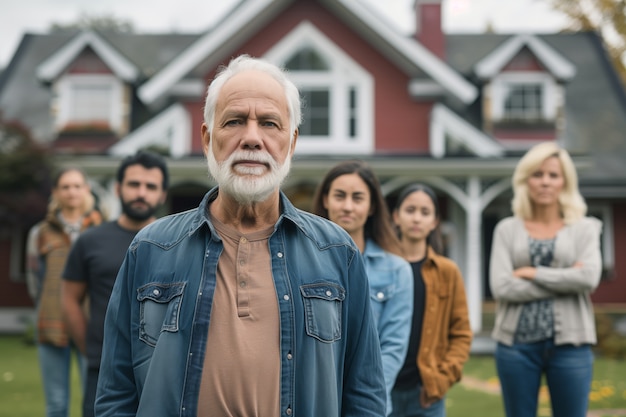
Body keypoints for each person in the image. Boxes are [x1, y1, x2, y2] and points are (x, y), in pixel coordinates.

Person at [95, 54, 386, 417]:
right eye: (234, 121)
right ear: (207, 138)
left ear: (291, 143)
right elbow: (115, 393)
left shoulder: (336, 252)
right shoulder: (151, 248)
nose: (252, 138)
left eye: (269, 123)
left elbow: (365, 395)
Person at [489, 142, 602, 417]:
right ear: (525, 180)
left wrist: (533, 272)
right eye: (537, 175)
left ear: (565, 181)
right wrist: (566, 280)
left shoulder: (585, 228)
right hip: (515, 347)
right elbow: (502, 287)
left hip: (571, 346)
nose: (545, 182)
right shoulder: (506, 229)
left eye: (553, 175)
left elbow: (588, 278)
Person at [61, 150, 169, 417]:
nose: (141, 193)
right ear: (119, 188)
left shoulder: (177, 243)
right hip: (103, 369)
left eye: (150, 186)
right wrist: (92, 348)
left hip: (164, 370)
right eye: (134, 184)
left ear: (162, 194)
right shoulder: (90, 241)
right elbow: (69, 298)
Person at [311, 160, 413, 416]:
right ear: (325, 200)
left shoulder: (397, 271)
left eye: (357, 198)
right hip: (312, 401)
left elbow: (392, 349)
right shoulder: (302, 263)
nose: (347, 206)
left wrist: (363, 399)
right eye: (339, 196)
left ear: (371, 207)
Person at [25, 167, 103, 417]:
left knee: (94, 402)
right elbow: (33, 277)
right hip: (51, 321)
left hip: (92, 325)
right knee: (56, 404)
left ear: (86, 190)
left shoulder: (102, 229)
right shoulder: (40, 233)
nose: (72, 192)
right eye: (65, 187)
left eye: (77, 186)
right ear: (56, 192)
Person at [390, 184, 472, 417]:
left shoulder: (447, 271)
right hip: (383, 389)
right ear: (396, 216)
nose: (417, 218)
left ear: (435, 221)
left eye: (425, 212)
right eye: (410, 210)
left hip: (426, 392)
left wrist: (442, 378)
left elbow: (461, 333)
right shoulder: (381, 266)